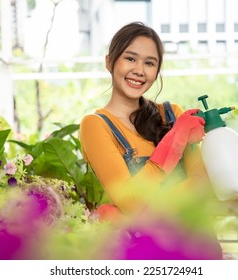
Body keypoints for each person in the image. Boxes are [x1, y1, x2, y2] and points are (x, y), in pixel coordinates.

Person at [79, 22, 210, 220]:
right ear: (109, 62)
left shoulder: (172, 114)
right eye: (130, 58)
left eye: (149, 63)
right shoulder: (96, 126)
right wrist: (175, 139)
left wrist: (138, 217)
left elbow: (202, 184)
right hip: (147, 249)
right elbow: (131, 202)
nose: (139, 71)